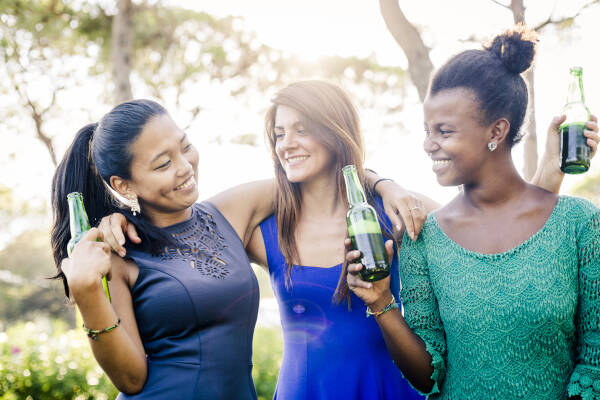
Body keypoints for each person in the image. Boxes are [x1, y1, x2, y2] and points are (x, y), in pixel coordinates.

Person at [100, 79, 597, 399]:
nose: (286, 143)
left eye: (301, 129)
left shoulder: (400, 213)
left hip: (393, 387)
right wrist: (115, 224)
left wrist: (547, 174)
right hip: (305, 391)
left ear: (335, 131)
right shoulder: (260, 232)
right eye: (278, 133)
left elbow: (493, 240)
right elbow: (176, 241)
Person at [346, 26, 600, 399]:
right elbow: (427, 376)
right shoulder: (423, 239)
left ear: (496, 131)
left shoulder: (579, 223)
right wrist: (382, 301)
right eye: (427, 130)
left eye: (444, 131)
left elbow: (595, 360)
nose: (429, 144)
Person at [51, 99, 276, 399]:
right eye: (163, 164)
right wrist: (86, 293)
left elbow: (309, 185)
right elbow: (130, 379)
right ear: (123, 185)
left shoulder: (231, 212)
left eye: (185, 147)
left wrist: (360, 175)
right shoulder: (117, 254)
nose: (185, 167)